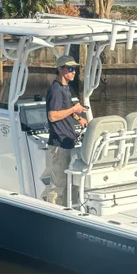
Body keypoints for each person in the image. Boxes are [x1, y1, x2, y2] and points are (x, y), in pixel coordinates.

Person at [42, 55, 88, 206]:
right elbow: (53, 116)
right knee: (59, 184)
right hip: (59, 142)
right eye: (69, 69)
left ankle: (70, 207)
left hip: (68, 140)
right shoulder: (56, 90)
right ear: (60, 69)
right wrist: (74, 109)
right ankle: (53, 209)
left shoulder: (66, 88)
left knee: (71, 181)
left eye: (74, 69)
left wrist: (77, 117)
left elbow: (65, 108)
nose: (73, 72)